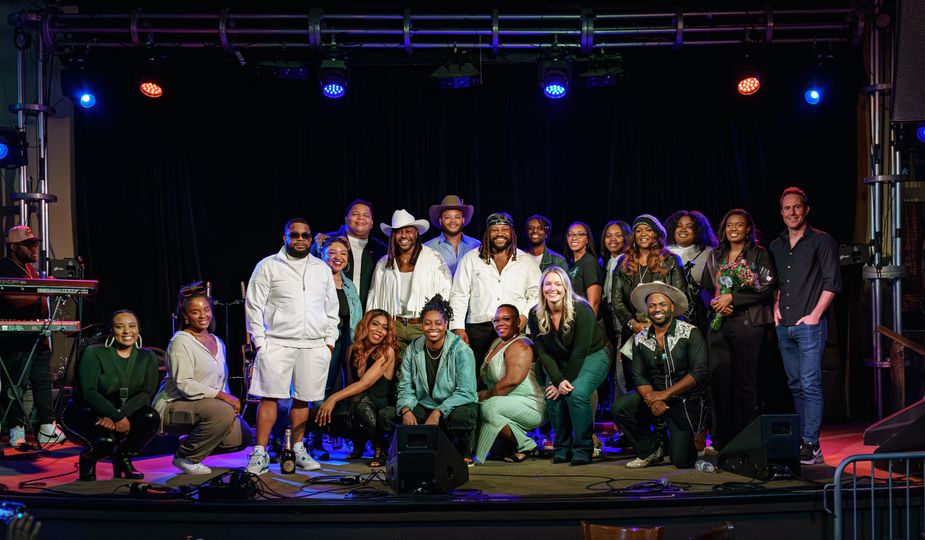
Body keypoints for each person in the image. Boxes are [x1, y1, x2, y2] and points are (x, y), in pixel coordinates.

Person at [244, 218, 339, 475]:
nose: (300, 239)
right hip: (277, 342)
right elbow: (254, 306)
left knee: (303, 399)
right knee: (269, 396)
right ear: (284, 237)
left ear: (310, 239)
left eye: (304, 235)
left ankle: (297, 449)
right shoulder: (268, 266)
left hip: (313, 344)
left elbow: (331, 308)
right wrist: (260, 343)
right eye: (294, 235)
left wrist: (329, 343)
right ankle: (260, 452)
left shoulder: (321, 269)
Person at [769, 187, 841, 465]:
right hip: (784, 325)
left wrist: (815, 316)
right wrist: (776, 305)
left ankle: (812, 443)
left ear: (806, 209)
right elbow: (776, 282)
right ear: (781, 212)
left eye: (797, 207)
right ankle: (803, 441)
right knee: (796, 384)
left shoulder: (821, 240)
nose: (792, 212)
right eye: (787, 208)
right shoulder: (776, 245)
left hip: (810, 325)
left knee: (810, 384)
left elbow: (832, 283)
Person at [153, 284, 252, 475]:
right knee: (221, 413)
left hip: (206, 406)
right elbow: (184, 384)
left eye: (206, 310)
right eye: (195, 312)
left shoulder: (218, 342)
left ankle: (190, 441)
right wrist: (223, 400)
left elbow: (221, 382)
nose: (202, 315)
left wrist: (230, 409)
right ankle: (186, 457)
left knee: (242, 435)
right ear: (186, 316)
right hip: (174, 405)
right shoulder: (181, 341)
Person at [612, 282, 707, 469]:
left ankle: (675, 441)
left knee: (681, 461)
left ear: (672, 307)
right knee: (620, 407)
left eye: (662, 304)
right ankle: (649, 450)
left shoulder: (690, 333)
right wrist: (653, 399)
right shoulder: (640, 338)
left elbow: (699, 373)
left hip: (683, 400)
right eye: (652, 305)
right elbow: (638, 376)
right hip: (654, 397)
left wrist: (665, 394)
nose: (657, 309)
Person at [703, 209, 776, 453]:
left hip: (747, 323)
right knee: (719, 380)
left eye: (739, 225)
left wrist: (732, 298)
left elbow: (766, 287)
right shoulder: (715, 255)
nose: (733, 229)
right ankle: (720, 439)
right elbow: (704, 289)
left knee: (745, 381)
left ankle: (745, 439)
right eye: (729, 225)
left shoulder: (759, 253)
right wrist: (715, 303)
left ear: (748, 229)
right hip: (719, 324)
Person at [60, 310, 160, 481]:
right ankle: (88, 458)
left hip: (121, 412)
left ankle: (123, 458)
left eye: (132, 326)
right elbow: (88, 392)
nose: (127, 331)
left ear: (138, 329)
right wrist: (115, 416)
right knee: (105, 443)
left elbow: (147, 393)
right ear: (111, 330)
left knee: (150, 417)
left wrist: (120, 416)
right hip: (88, 412)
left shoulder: (147, 356)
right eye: (120, 326)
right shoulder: (94, 353)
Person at [529, 267, 609, 466]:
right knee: (552, 395)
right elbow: (542, 352)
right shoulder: (535, 313)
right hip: (559, 359)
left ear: (566, 287)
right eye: (548, 283)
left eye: (558, 284)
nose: (552, 288)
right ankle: (562, 448)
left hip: (592, 356)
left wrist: (562, 383)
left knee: (576, 393)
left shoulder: (582, 309)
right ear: (541, 287)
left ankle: (583, 449)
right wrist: (557, 381)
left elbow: (580, 352)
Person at [451, 212, 542, 375]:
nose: (500, 233)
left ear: (512, 233)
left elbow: (536, 295)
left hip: (514, 327)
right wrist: (458, 327)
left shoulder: (526, 261)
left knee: (508, 374)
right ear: (487, 233)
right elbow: (459, 294)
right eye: (494, 229)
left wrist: (523, 318)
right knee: (475, 374)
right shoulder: (471, 259)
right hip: (478, 328)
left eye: (504, 229)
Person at [0, 225, 65, 446]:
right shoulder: (5, 268)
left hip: (38, 337)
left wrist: (46, 288)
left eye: (35, 243)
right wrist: (46, 289)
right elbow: (13, 299)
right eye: (28, 244)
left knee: (42, 381)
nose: (34, 247)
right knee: (17, 383)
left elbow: (37, 297)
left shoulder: (28, 269)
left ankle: (47, 426)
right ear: (13, 247)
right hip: (16, 340)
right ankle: (16, 429)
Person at [396, 294, 478, 462]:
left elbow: (467, 392)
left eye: (438, 323)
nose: (433, 327)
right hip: (425, 403)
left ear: (446, 324)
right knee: (394, 416)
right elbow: (405, 386)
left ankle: (463, 455)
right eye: (427, 323)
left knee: (462, 416)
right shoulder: (413, 349)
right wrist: (406, 409)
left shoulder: (462, 350)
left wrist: (439, 411)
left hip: (455, 404)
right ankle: (416, 456)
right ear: (422, 324)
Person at [312, 309, 398, 467]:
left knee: (358, 402)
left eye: (385, 328)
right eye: (375, 324)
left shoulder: (387, 351)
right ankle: (358, 441)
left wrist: (333, 398)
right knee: (321, 412)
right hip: (358, 402)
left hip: (381, 404)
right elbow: (351, 385)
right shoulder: (352, 350)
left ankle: (381, 446)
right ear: (366, 325)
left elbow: (364, 384)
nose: (379, 330)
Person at [367, 209, 453, 358]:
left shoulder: (433, 258)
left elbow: (446, 291)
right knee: (394, 367)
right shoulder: (384, 262)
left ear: (416, 233)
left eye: (408, 231)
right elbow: (374, 296)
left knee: (422, 367)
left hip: (423, 324)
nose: (404, 235)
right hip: (394, 325)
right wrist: (371, 325)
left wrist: (441, 323)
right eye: (399, 232)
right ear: (393, 235)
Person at [310, 236, 363, 459]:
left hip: (346, 343)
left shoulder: (349, 285)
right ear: (322, 255)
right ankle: (314, 440)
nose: (338, 257)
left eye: (343, 253)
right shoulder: (315, 281)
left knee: (346, 390)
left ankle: (344, 435)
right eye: (332, 252)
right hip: (323, 343)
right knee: (319, 390)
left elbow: (356, 317)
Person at [474, 305, 545, 463]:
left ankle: (527, 444)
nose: (500, 324)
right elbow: (484, 374)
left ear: (518, 322)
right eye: (496, 320)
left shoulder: (521, 346)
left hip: (531, 403)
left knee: (488, 407)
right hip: (505, 401)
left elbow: (511, 382)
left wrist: (484, 395)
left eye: (506, 319)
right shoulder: (497, 342)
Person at [611, 214, 687, 345]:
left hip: (665, 331)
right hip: (634, 332)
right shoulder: (623, 263)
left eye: (648, 230)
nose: (643, 234)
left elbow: (679, 297)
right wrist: (633, 324)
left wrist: (658, 324)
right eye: (638, 231)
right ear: (634, 236)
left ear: (656, 234)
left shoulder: (671, 260)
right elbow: (617, 301)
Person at [311, 199, 387, 307]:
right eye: (355, 214)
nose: (360, 218)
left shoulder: (380, 249)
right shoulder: (327, 241)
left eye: (366, 215)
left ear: (372, 223)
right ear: (346, 219)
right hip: (330, 308)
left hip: (367, 310)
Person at [665, 210, 719, 330]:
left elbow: (717, 287)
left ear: (698, 230)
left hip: (699, 318)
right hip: (667, 315)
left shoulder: (709, 252)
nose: (683, 229)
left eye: (689, 226)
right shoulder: (663, 252)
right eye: (679, 226)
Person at [424, 195, 481, 276]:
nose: (453, 221)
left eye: (457, 217)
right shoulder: (428, 248)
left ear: (463, 220)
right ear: (441, 221)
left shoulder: (476, 245)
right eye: (447, 217)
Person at [565, 221, 604, 316]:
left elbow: (594, 303)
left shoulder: (590, 262)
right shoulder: (571, 264)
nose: (574, 238)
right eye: (570, 234)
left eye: (580, 234)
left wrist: (589, 324)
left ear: (587, 239)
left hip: (585, 320)